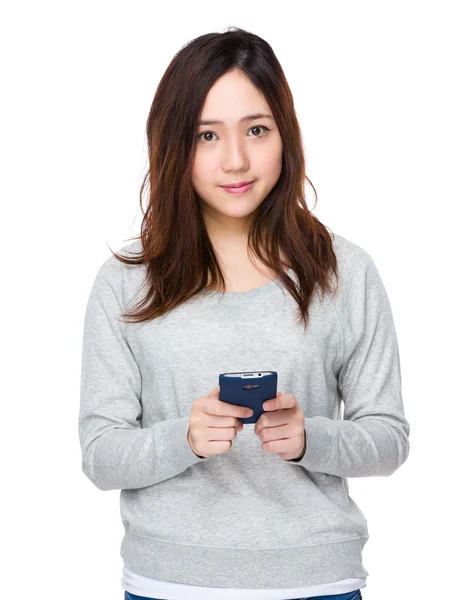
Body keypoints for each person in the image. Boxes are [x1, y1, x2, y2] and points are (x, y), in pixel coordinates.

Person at [78, 26, 410, 600]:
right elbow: (101, 456)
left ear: (286, 134)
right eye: (207, 135)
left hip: (316, 582)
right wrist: (184, 436)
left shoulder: (345, 272)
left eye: (256, 130)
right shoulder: (125, 282)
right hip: (168, 583)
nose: (235, 160)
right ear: (173, 144)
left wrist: (311, 438)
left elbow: (389, 438)